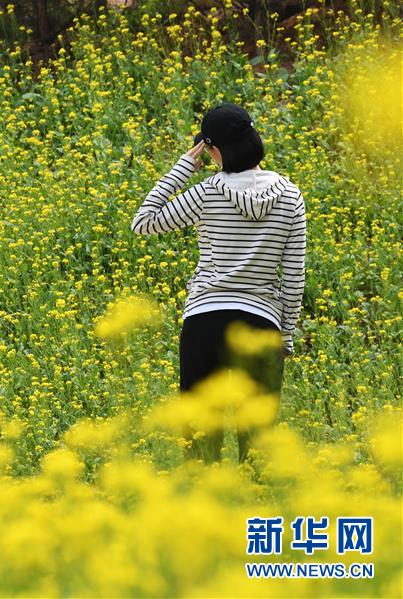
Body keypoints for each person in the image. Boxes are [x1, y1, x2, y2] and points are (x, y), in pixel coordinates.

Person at [131, 102, 306, 462]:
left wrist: (184, 167)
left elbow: (143, 222)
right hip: (261, 324)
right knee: (258, 449)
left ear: (212, 150)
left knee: (199, 442)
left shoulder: (207, 192)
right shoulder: (290, 196)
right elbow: (293, 276)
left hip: (204, 323)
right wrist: (285, 335)